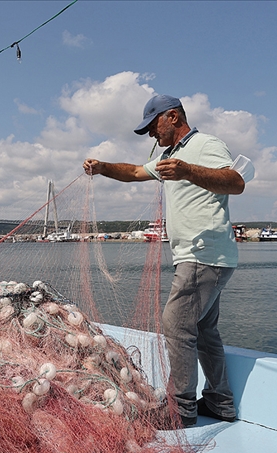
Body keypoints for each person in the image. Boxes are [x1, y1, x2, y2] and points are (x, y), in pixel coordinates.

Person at [83, 94, 244, 428]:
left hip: (204, 254)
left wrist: (187, 171)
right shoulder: (171, 156)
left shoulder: (204, 145)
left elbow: (235, 182)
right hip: (201, 257)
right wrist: (102, 167)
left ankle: (181, 409)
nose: (151, 136)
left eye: (152, 127)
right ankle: (220, 403)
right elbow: (133, 172)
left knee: (175, 324)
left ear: (172, 117)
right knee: (203, 330)